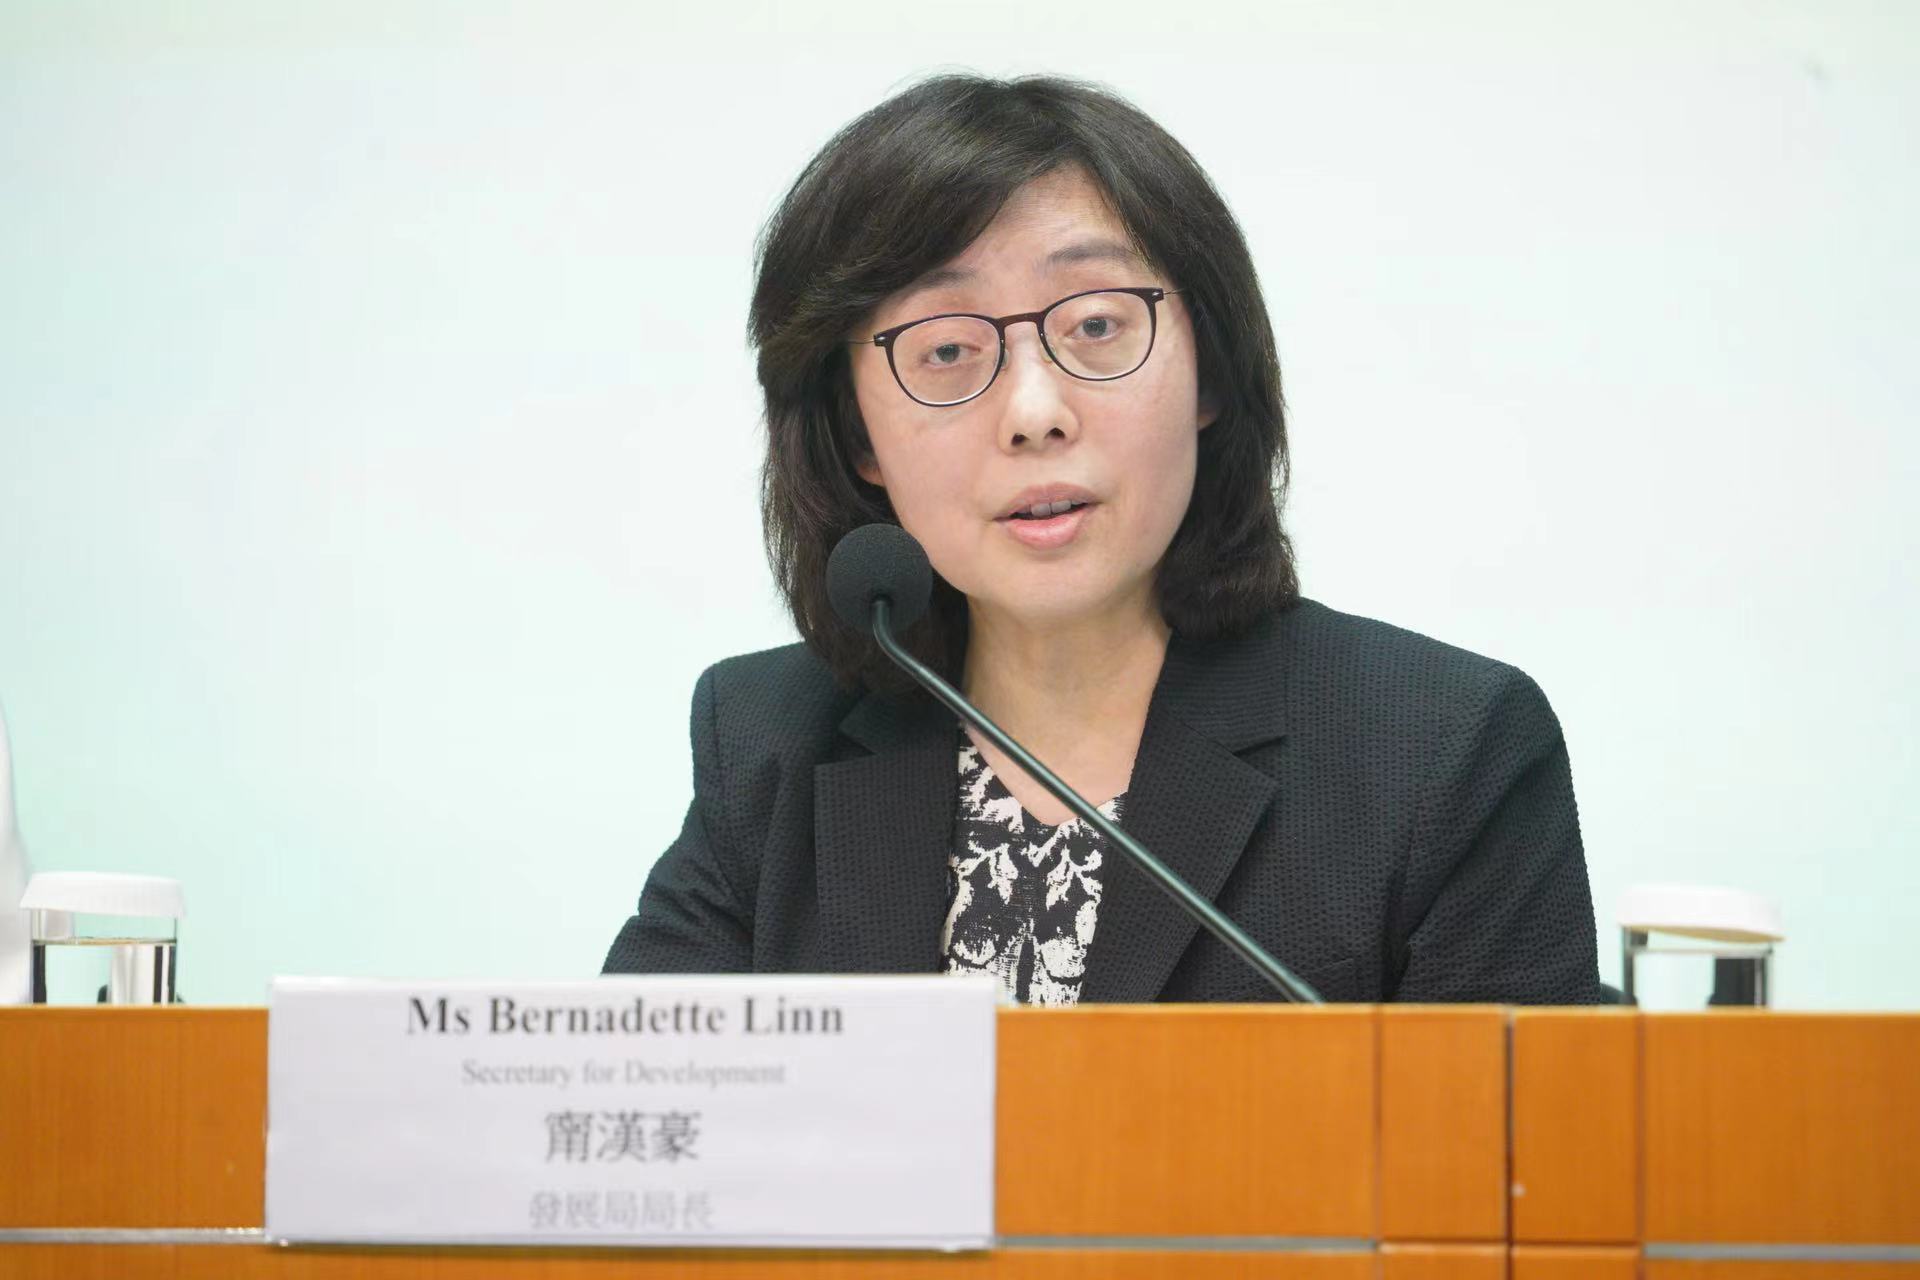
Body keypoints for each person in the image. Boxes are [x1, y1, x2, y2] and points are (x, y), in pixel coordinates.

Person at [603, 73, 1602, 1005]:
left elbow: (1510, 1137)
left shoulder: (1441, 754)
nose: (1034, 412)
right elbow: (635, 1110)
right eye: (947, 348)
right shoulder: (769, 743)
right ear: (857, 434)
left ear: (1211, 372)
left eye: (1095, 326)